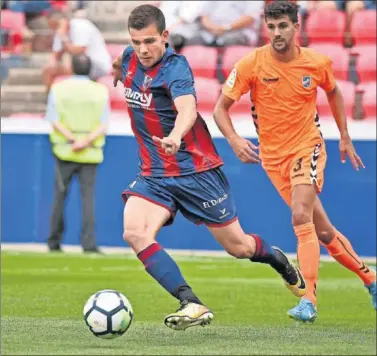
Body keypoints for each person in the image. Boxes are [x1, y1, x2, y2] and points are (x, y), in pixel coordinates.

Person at [112, 4, 306, 332]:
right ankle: (191, 302)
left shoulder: (176, 68)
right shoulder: (131, 58)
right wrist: (118, 69)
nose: (143, 50)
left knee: (239, 247)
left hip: (196, 173)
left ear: (165, 36)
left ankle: (278, 260)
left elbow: (188, 108)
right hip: (155, 174)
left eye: (149, 41)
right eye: (136, 42)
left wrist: (174, 136)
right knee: (134, 232)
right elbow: (122, 61)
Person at [214, 1, 376, 323]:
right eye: (271, 27)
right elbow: (220, 108)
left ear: (296, 27)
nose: (277, 33)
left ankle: (309, 300)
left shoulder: (316, 62)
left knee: (299, 214)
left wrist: (344, 134)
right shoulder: (251, 64)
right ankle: (371, 280)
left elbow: (334, 92)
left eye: (283, 26)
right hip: (273, 159)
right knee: (324, 232)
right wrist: (234, 140)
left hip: (307, 146)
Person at [46, 54, 109, 253]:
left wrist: (73, 140)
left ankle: (54, 242)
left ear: (71, 68)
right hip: (90, 152)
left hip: (64, 149)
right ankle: (89, 244)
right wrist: (85, 141)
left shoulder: (59, 88)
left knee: (59, 197)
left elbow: (54, 119)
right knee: (88, 200)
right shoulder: (100, 91)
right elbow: (103, 123)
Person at [43, 10, 112, 93]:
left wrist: (63, 37)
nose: (55, 30)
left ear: (64, 21)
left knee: (68, 67)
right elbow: (56, 54)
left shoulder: (81, 26)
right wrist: (51, 64)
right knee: (48, 71)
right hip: (79, 66)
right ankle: (52, 99)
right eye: (52, 28)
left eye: (56, 26)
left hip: (95, 65)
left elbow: (78, 51)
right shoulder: (60, 32)